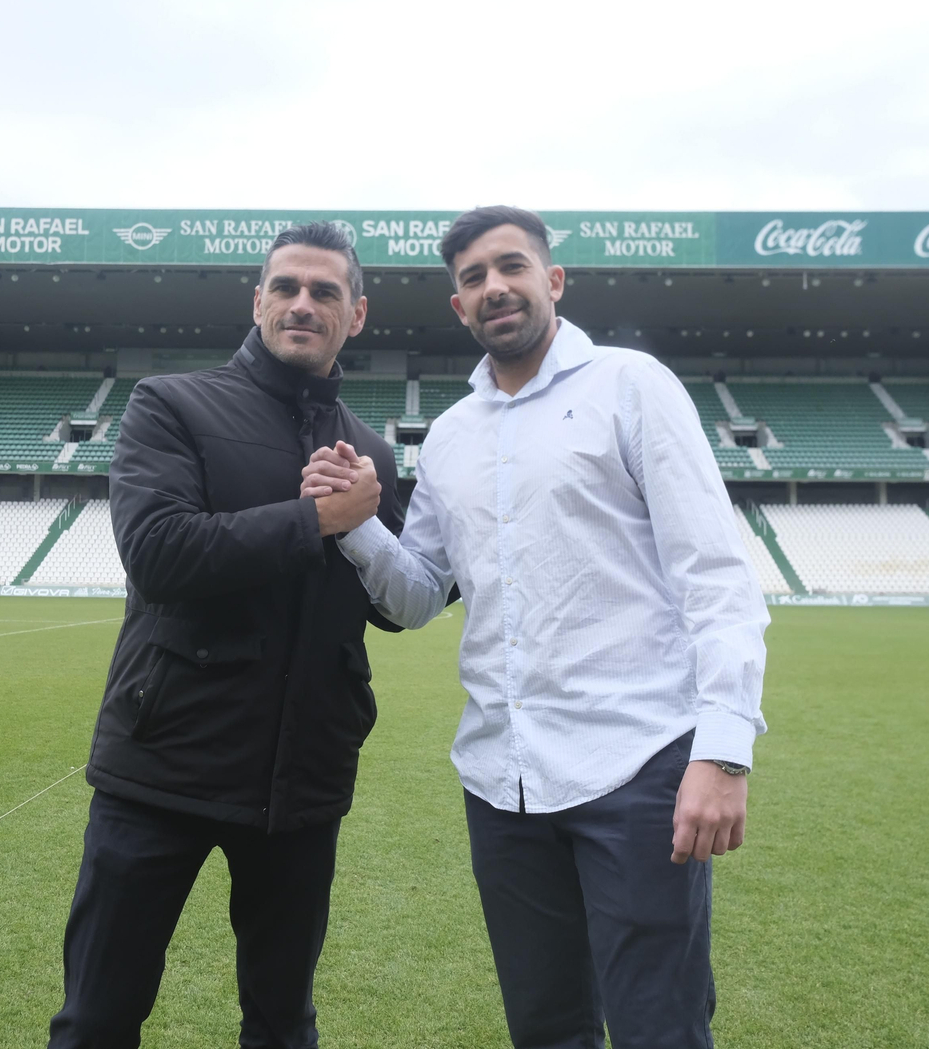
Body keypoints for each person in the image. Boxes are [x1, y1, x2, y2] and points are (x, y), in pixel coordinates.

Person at [301, 206, 770, 1048]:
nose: (495, 288)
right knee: (545, 1029)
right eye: (474, 278)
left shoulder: (632, 386)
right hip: (501, 780)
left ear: (552, 280)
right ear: (459, 307)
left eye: (511, 267)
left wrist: (723, 750)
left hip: (638, 764)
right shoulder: (448, 437)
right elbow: (413, 598)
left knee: (658, 1025)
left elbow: (715, 573)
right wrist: (359, 522)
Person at [49, 221, 403, 1049]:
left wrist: (389, 532)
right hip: (162, 768)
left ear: (357, 313)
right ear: (256, 302)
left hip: (303, 781)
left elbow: (396, 602)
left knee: (282, 1024)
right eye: (285, 287)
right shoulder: (171, 403)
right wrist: (318, 518)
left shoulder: (375, 453)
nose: (302, 304)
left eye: (325, 292)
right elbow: (161, 554)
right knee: (98, 1016)